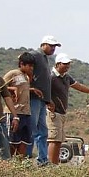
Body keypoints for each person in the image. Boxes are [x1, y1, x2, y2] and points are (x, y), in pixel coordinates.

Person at [47, 53, 89, 165]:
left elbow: (79, 87)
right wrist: (48, 102)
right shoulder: (51, 77)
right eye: (65, 64)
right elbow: (44, 91)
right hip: (53, 113)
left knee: (59, 141)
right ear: (58, 64)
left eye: (68, 64)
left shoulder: (66, 77)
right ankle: (50, 165)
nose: (67, 66)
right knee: (53, 140)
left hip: (62, 112)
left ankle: (54, 165)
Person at [26, 35, 60, 166]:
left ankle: (42, 160)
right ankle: (26, 159)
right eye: (51, 46)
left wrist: (48, 99)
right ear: (43, 44)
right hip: (33, 98)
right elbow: (23, 62)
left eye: (54, 47)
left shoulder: (45, 58)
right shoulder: (35, 54)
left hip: (41, 100)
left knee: (42, 131)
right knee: (32, 129)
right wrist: (30, 86)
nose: (53, 49)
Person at [3, 52, 36, 158]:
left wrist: (32, 89)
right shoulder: (12, 74)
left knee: (24, 141)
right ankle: (9, 163)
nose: (31, 68)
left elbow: (23, 90)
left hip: (26, 112)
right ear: (22, 64)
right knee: (12, 140)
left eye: (32, 66)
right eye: (29, 66)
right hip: (14, 112)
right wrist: (13, 89)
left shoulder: (26, 77)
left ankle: (20, 165)